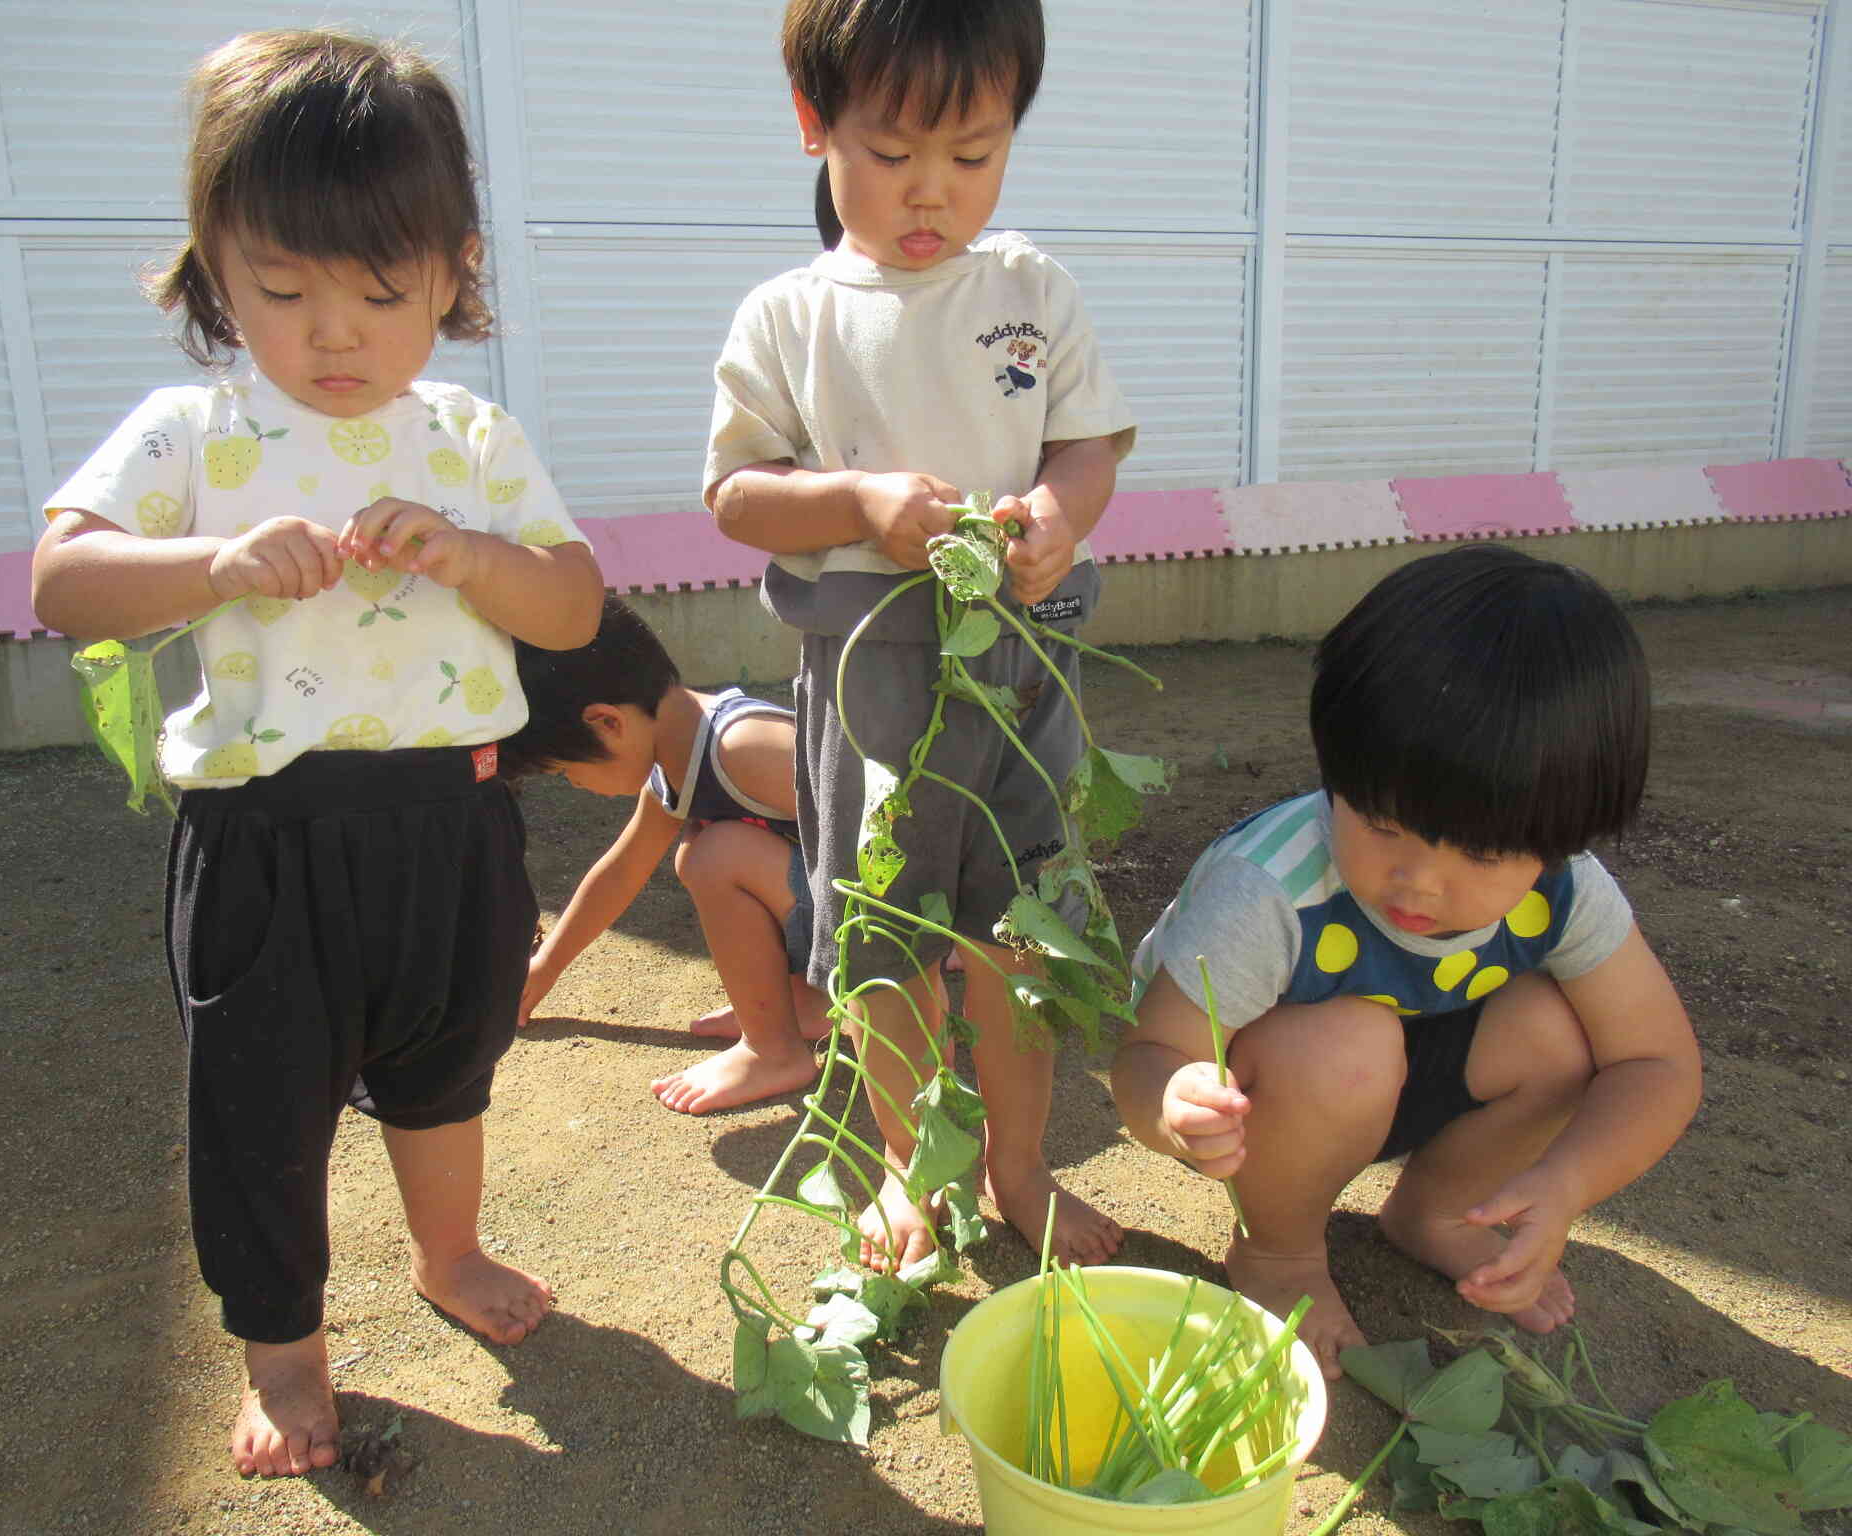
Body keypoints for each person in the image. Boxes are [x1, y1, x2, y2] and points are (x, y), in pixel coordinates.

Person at [28, 30, 603, 1479]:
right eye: (284, 290)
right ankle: (283, 1348)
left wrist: (475, 557)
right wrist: (216, 562)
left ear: (455, 271)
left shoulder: (472, 437)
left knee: (448, 1062)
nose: (331, 332)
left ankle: (449, 1252)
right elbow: (62, 579)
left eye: (378, 289)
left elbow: (575, 603)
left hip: (450, 826)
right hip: (266, 839)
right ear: (216, 268)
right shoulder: (192, 432)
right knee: (259, 1104)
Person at [705, 0, 1137, 1274]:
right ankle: (909, 1166)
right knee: (886, 928)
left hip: (1025, 659)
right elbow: (735, 495)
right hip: (869, 671)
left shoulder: (1030, 288)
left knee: (1020, 928)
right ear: (812, 124)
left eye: (973, 154)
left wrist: (1059, 510)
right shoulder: (789, 315)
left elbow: (1086, 442)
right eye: (892, 155)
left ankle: (1015, 1166)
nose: (930, 193)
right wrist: (854, 505)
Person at [1112, 543, 1703, 1378]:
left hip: (1410, 1059)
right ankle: (1277, 1251)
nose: (1420, 882)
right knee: (1348, 1050)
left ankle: (1438, 1213)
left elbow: (1656, 1062)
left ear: (1558, 840)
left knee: (1561, 1035)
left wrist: (1567, 1184)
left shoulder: (1568, 890)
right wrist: (1173, 1104)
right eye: (1383, 824)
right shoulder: (1268, 890)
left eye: (1482, 854)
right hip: (1279, 1089)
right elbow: (1148, 1054)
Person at [499, 595, 832, 1114]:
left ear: (607, 723)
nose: (577, 785)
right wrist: (542, 969)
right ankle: (803, 1006)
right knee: (704, 853)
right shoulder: (678, 764)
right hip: (834, 922)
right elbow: (621, 872)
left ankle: (774, 1051)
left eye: (566, 770)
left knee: (715, 856)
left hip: (884, 927)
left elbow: (894, 825)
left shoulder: (745, 748)